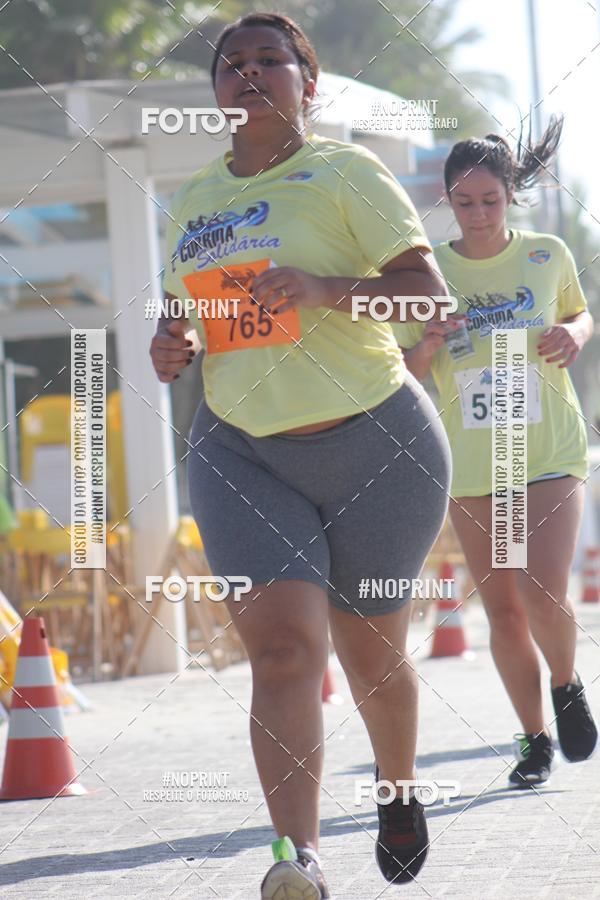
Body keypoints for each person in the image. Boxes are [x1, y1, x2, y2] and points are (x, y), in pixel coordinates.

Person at [150, 12, 452, 897]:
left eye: (270, 61)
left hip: (379, 446)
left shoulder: (346, 172)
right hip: (241, 452)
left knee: (373, 656)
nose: (248, 73)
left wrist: (327, 290)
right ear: (216, 94)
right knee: (283, 654)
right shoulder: (198, 198)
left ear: (306, 87)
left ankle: (398, 790)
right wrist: (173, 344)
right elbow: (188, 315)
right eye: (231, 63)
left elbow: (426, 297)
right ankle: (300, 861)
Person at [395, 119, 597, 789]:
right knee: (502, 608)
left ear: (510, 195)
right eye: (464, 203)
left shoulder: (547, 254)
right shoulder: (430, 271)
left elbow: (579, 313)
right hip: (477, 462)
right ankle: (533, 739)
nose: (478, 215)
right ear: (447, 201)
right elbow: (404, 370)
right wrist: (428, 342)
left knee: (543, 590)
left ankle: (566, 685)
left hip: (545, 446)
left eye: (490, 200)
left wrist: (573, 333)